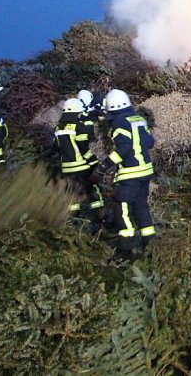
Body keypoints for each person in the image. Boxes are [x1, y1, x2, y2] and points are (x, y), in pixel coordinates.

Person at [90, 89, 155, 262]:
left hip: (131, 174)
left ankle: (126, 251)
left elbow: (123, 149)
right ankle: (150, 244)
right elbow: (150, 142)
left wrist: (103, 167)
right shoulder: (138, 118)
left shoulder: (119, 122)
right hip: (146, 171)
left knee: (123, 209)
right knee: (141, 207)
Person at [54, 98, 104, 229]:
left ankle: (74, 221)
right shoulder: (79, 127)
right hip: (81, 167)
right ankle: (99, 218)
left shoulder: (58, 128)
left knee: (72, 194)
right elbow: (83, 147)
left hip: (66, 169)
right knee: (93, 190)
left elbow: (56, 147)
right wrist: (93, 162)